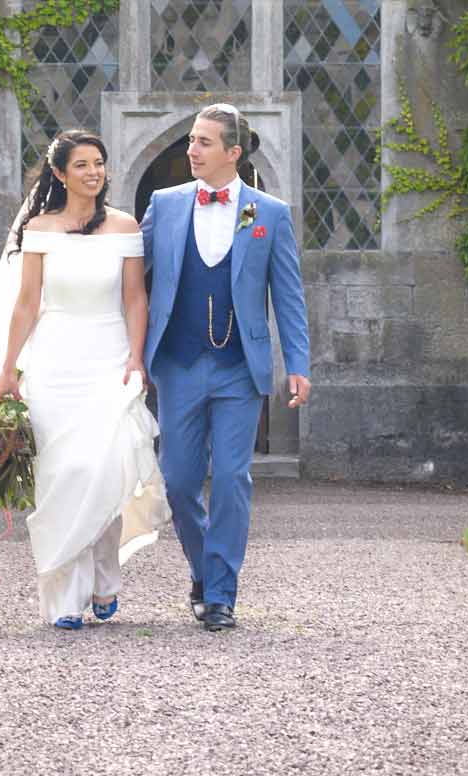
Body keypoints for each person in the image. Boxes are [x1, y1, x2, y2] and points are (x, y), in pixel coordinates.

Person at [0, 129, 169, 630]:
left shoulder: (125, 226)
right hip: (55, 362)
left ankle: (104, 577)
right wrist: (8, 367)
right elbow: (27, 303)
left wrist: (136, 359)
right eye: (82, 164)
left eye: (99, 163)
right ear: (60, 174)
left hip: (108, 359)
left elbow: (134, 299)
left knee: (101, 468)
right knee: (63, 476)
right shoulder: (40, 228)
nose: (94, 172)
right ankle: (65, 597)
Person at [141, 103, 311, 632]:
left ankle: (220, 594)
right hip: (177, 363)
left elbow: (288, 295)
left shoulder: (270, 214)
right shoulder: (163, 205)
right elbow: (130, 278)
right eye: (191, 140)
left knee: (233, 477)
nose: (191, 150)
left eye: (204, 142)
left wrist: (298, 363)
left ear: (233, 152)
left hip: (240, 367)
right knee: (178, 480)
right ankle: (203, 569)